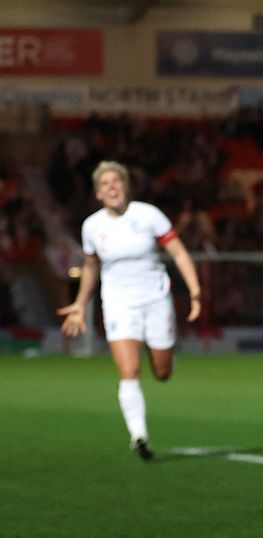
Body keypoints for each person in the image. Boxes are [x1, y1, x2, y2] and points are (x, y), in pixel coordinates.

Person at [58, 161, 202, 461]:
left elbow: (177, 251)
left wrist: (194, 290)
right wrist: (80, 304)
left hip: (156, 299)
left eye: (117, 181)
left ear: (125, 186)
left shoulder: (148, 215)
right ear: (98, 193)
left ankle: (160, 354)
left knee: (162, 372)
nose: (112, 187)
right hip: (118, 303)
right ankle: (139, 435)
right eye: (105, 184)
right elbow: (91, 266)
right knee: (129, 371)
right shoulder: (92, 226)